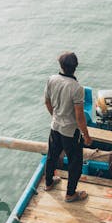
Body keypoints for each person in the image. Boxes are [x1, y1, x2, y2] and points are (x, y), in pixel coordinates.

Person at [44, 52, 92, 202]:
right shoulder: (76, 88)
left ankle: (49, 183)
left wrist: (55, 117)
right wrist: (86, 135)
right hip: (70, 132)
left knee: (52, 156)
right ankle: (71, 194)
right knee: (75, 163)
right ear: (75, 67)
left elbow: (47, 102)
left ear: (61, 66)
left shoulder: (51, 80)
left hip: (55, 127)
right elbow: (79, 116)